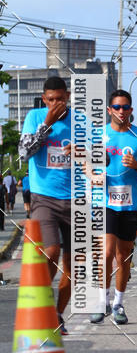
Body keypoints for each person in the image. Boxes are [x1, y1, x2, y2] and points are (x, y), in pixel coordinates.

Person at [90, 89, 137, 325]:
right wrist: (94, 175)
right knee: (106, 252)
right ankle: (101, 301)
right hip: (104, 201)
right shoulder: (97, 136)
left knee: (123, 256)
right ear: (109, 110)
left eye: (125, 107)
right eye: (116, 107)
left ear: (131, 110)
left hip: (130, 205)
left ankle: (118, 304)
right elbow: (86, 166)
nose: (121, 111)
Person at [18, 77, 73, 334]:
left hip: (77, 199)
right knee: (50, 250)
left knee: (76, 265)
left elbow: (101, 156)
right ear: (44, 99)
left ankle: (57, 314)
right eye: (50, 100)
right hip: (44, 196)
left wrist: (82, 152)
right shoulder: (35, 116)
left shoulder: (80, 121)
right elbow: (25, 153)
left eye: (60, 99)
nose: (55, 104)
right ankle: (41, 301)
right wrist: (46, 125)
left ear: (68, 97)